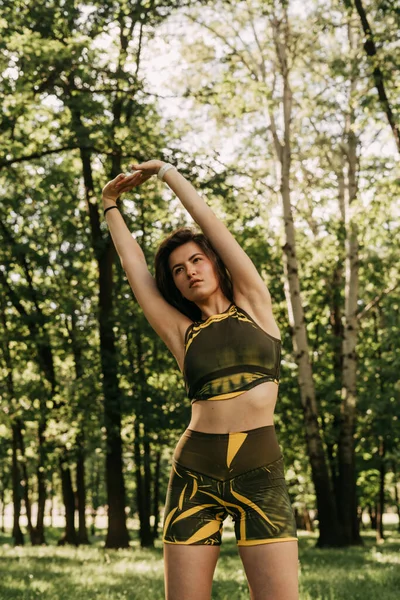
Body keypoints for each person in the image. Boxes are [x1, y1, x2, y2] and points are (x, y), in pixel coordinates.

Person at [102, 160, 298, 600]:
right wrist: (110, 204)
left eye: (197, 259)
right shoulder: (181, 334)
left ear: (214, 262)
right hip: (194, 473)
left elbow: (211, 223)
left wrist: (167, 173)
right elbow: (135, 271)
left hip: (259, 471)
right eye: (177, 269)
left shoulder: (254, 304)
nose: (190, 270)